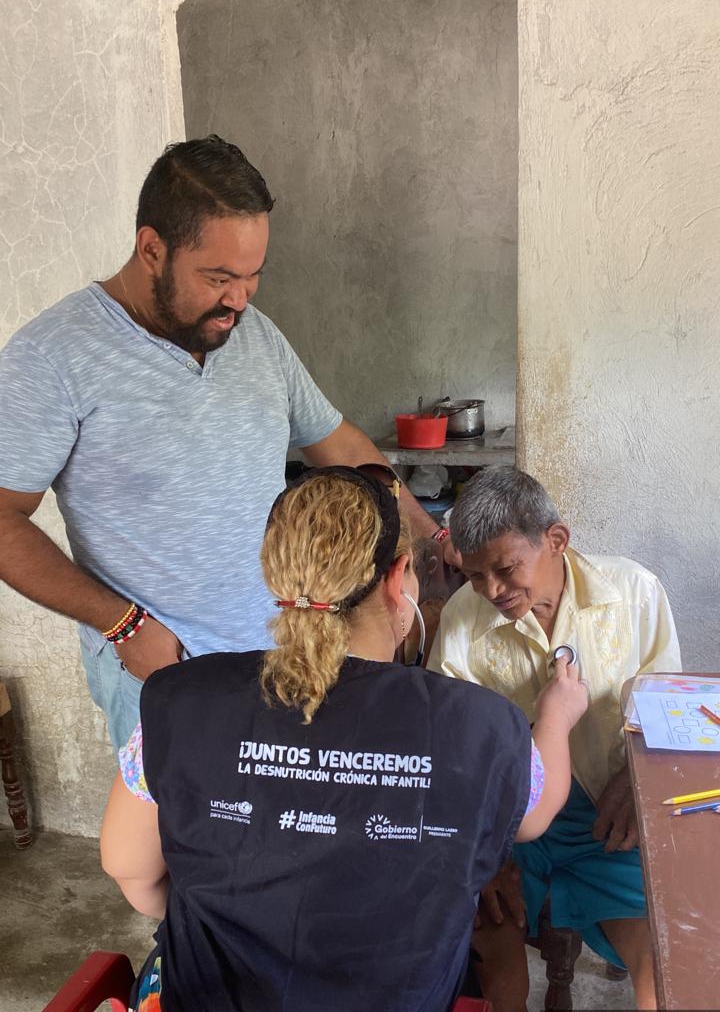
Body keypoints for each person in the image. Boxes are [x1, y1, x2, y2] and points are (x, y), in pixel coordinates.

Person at [0, 134, 445, 751]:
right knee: (168, 818)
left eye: (253, 276)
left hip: (285, 656)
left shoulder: (255, 336)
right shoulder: (52, 358)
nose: (238, 299)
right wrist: (123, 625)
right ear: (152, 249)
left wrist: (432, 537)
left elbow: (338, 445)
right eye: (218, 277)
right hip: (162, 669)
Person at [100, 465, 589, 1012]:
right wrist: (556, 716)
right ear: (398, 577)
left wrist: (234, 924)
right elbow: (533, 815)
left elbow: (128, 867)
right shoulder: (481, 724)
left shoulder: (183, 700)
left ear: (276, 578)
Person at [427, 467, 682, 1011]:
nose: (491, 591)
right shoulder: (462, 620)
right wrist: (484, 855)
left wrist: (633, 780)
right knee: (496, 986)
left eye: (505, 569)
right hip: (507, 833)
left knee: (664, 979)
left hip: (607, 823)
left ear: (556, 540)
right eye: (474, 575)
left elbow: (668, 713)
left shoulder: (634, 594)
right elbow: (450, 757)